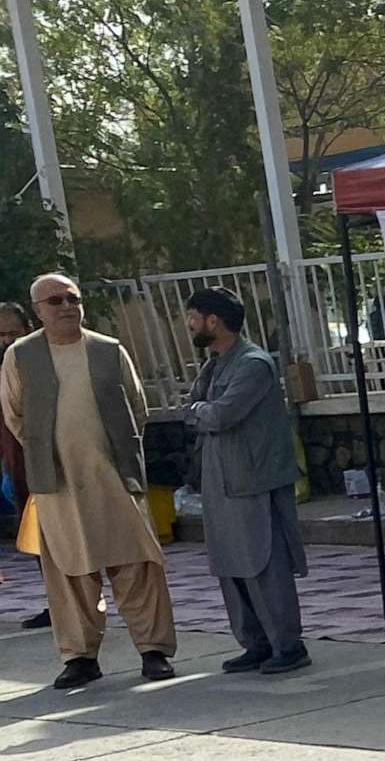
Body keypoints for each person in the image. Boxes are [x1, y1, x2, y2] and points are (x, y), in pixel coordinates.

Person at [3, 274, 175, 688]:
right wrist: (52, 451)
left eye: (73, 298)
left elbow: (138, 407)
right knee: (68, 572)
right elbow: (14, 415)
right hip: (57, 485)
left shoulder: (108, 350)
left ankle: (153, 651)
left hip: (113, 479)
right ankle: (80, 657)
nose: (67, 306)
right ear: (38, 310)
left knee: (136, 565)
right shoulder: (20, 356)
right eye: (56, 300)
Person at [178, 287, 308, 674]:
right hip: (221, 483)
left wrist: (198, 410)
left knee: (264, 565)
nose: (189, 325)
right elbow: (194, 406)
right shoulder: (215, 364)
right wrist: (200, 409)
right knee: (232, 567)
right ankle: (256, 643)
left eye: (193, 317)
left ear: (212, 320)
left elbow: (220, 415)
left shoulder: (253, 363)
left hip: (253, 482)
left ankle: (288, 645)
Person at [0, 299, 42, 631]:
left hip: (46, 461)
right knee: (35, 535)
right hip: (16, 463)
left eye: (13, 332)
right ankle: (57, 602)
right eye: (1, 334)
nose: (7, 340)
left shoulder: (40, 361)